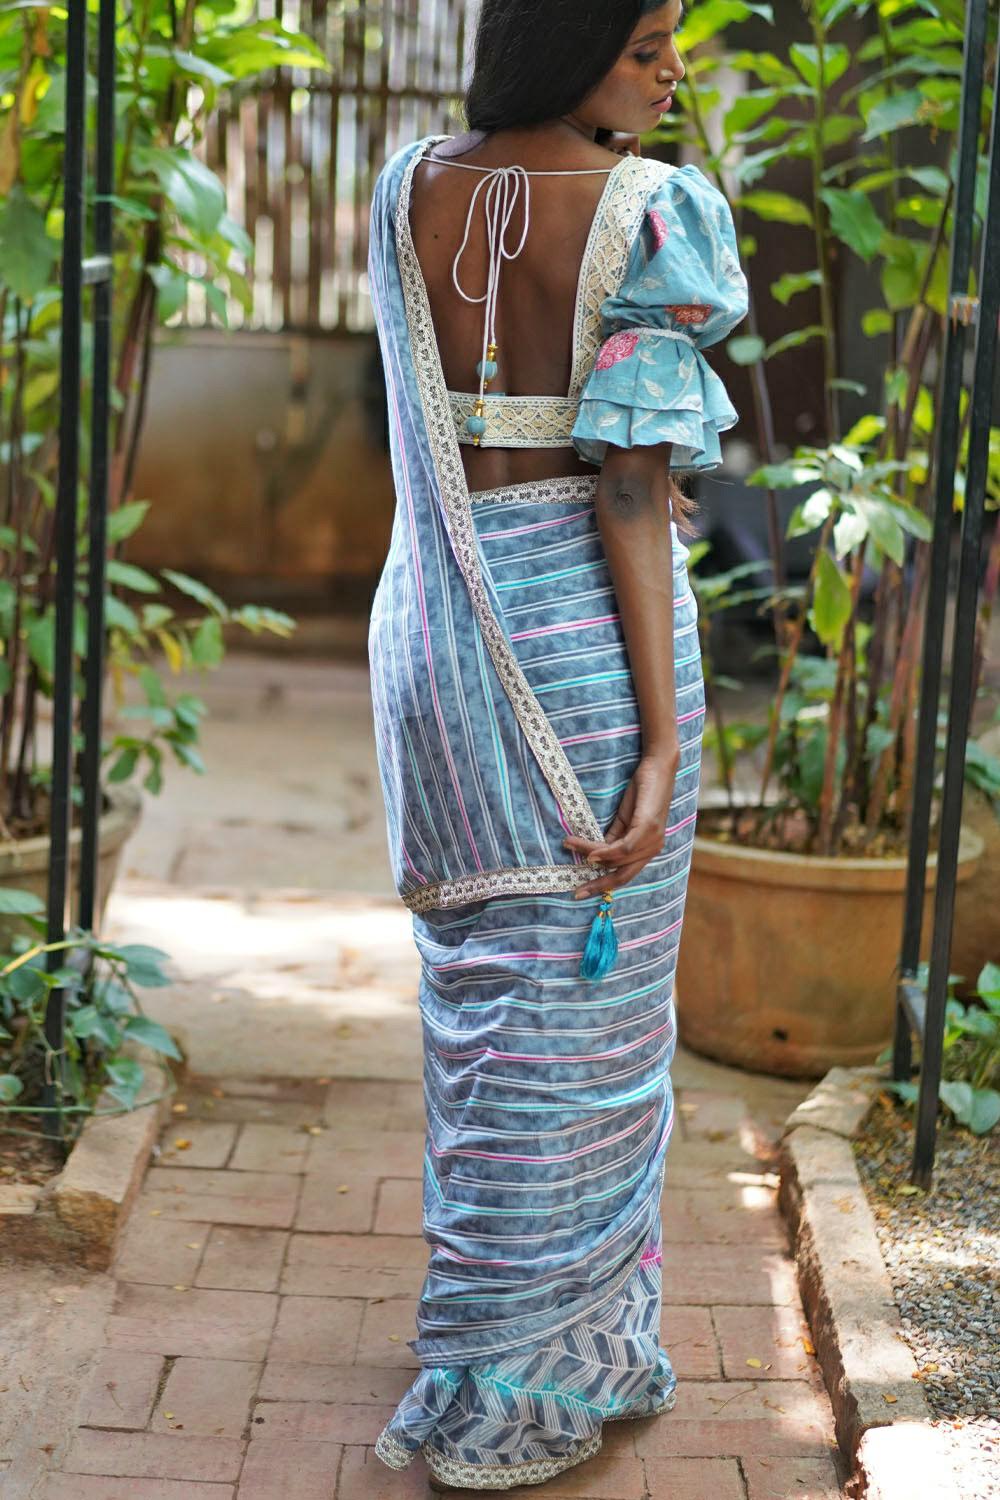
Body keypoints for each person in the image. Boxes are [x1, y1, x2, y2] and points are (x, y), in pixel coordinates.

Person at [365, 0, 748, 1487]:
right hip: (593, 651)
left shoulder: (407, 186)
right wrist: (658, 746)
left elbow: (421, 440)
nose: (671, 73)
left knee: (486, 1018)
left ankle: (493, 1337)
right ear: (570, 40)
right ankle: (537, 1371)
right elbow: (630, 500)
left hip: (443, 645)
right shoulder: (653, 216)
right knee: (585, 1034)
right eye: (648, 44)